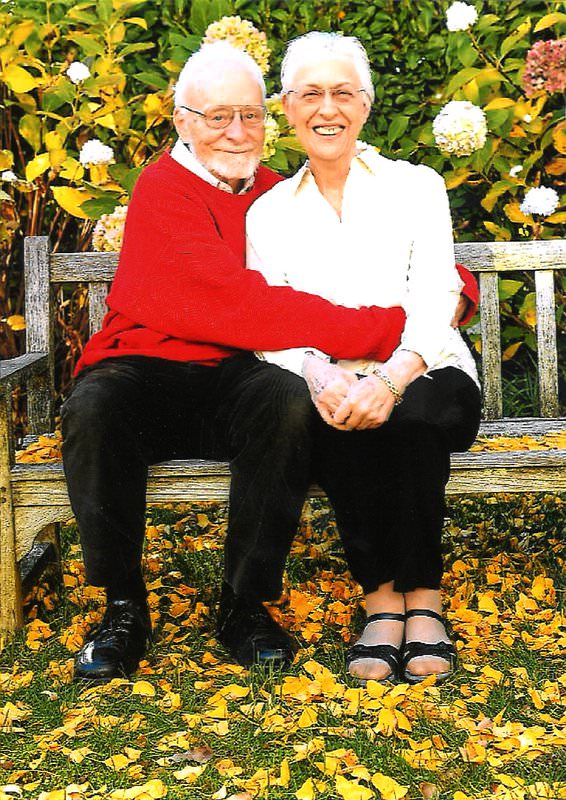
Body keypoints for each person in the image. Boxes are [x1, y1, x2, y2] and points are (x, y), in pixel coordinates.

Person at [61, 41, 418, 682]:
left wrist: (447, 292)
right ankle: (122, 608)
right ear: (183, 121)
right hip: (147, 370)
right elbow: (235, 304)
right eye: (218, 116)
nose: (236, 131)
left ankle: (244, 607)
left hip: (240, 373)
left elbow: (387, 250)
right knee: (95, 405)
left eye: (250, 115)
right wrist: (382, 328)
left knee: (286, 400)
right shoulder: (162, 188)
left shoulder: (280, 193)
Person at [245, 32, 482, 684]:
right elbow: (270, 319)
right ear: (288, 108)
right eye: (310, 94)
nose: (328, 109)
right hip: (333, 374)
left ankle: (423, 600)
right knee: (336, 418)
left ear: (366, 105)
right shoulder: (267, 213)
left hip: (432, 367)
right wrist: (315, 371)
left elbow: (436, 293)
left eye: (343, 93)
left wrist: (395, 375)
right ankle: (381, 603)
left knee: (409, 417)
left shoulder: (417, 187)